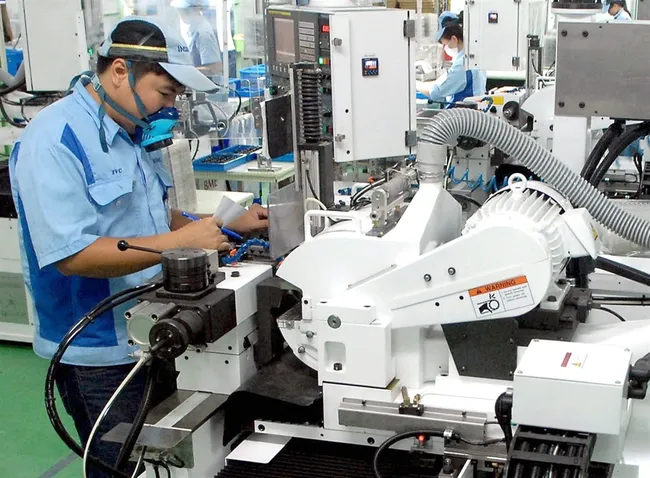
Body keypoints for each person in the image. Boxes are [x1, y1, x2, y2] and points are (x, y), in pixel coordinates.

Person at [9, 16, 268, 478]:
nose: (168, 108)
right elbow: (72, 255)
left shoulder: (127, 128)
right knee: (122, 468)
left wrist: (225, 224)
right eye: (164, 94)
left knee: (168, 463)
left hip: (154, 328)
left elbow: (153, 217)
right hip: (98, 350)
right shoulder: (53, 140)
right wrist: (179, 243)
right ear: (119, 71)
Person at [416, 12, 486, 106]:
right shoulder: (472, 59)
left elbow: (435, 92)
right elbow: (440, 83)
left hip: (462, 113)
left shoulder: (462, 65)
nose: (444, 48)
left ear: (453, 39)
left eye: (444, 44)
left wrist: (414, 84)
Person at [171, 0, 223, 75]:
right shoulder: (191, 27)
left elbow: (215, 68)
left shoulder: (203, 33)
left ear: (191, 10)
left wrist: (183, 71)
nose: (179, 15)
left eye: (180, 11)